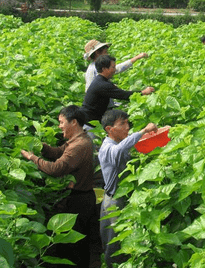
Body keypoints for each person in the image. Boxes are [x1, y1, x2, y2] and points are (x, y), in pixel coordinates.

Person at [21, 105, 96, 268]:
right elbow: (58, 153)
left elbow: (56, 169)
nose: (59, 126)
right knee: (73, 245)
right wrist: (40, 147)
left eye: (62, 122)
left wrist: (32, 157)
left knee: (75, 247)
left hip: (79, 200)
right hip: (80, 197)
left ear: (74, 122)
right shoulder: (78, 140)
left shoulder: (79, 146)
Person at [98, 109, 158, 268]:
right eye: (122, 124)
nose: (127, 127)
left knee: (124, 238)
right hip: (113, 200)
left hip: (122, 197)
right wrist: (143, 131)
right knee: (114, 242)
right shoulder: (107, 147)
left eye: (127, 123)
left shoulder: (119, 142)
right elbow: (119, 152)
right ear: (109, 129)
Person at [82, 55, 155, 124]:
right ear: (104, 69)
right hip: (90, 122)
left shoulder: (100, 80)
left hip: (93, 117)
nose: (115, 70)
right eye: (113, 67)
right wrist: (143, 92)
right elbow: (124, 95)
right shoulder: (102, 84)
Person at [83, 40, 148, 92]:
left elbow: (117, 68)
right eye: (105, 52)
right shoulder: (93, 69)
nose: (107, 54)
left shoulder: (98, 65)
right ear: (97, 53)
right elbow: (91, 90)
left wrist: (137, 57)